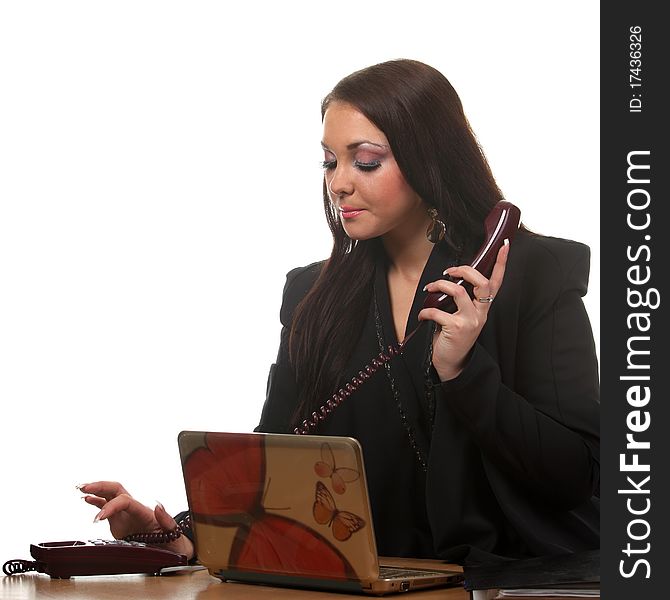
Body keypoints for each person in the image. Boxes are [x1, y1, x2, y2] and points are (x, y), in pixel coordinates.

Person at [79, 59, 599, 564]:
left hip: (510, 577)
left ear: (429, 159)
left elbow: (575, 474)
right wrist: (185, 534)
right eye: (330, 161)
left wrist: (464, 372)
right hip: (371, 577)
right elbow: (280, 448)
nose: (339, 182)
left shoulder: (534, 273)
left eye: (365, 161)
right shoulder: (312, 293)